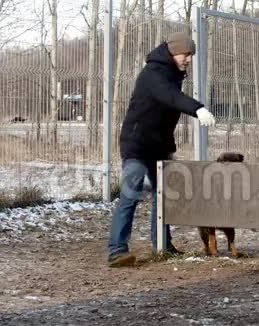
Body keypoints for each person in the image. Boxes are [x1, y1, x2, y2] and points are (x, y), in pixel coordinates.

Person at [107, 32, 216, 267]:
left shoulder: (172, 74)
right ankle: (116, 251)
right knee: (130, 193)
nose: (187, 59)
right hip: (137, 144)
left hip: (159, 145)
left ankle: (163, 245)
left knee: (164, 197)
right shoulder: (153, 74)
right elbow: (169, 97)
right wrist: (197, 109)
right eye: (184, 54)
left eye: (190, 55)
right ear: (172, 51)